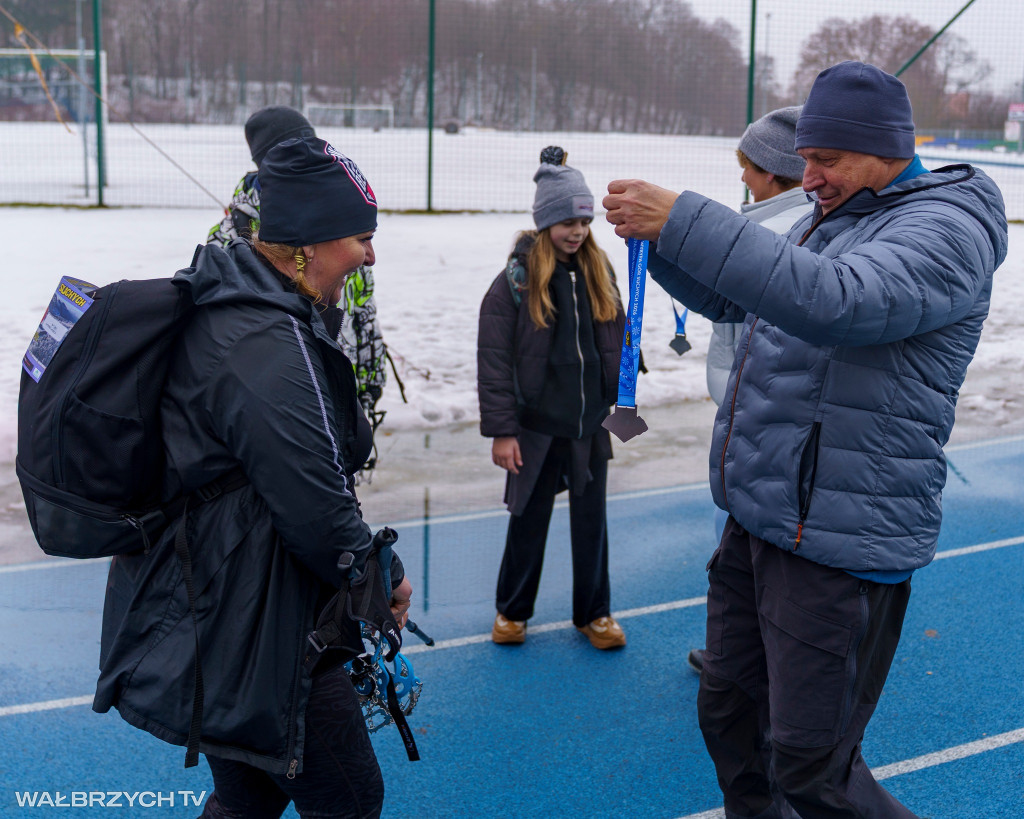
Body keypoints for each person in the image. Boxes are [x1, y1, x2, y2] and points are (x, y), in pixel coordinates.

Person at [604, 61, 1007, 818]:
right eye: (805, 159)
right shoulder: (847, 207)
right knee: (728, 718)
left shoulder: (946, 225)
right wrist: (656, 246)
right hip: (763, 520)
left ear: (887, 147)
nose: (807, 176)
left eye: (825, 160)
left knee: (813, 771)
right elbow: (742, 296)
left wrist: (685, 217)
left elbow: (836, 302)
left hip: (839, 541)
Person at [95, 135, 413, 819]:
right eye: (359, 236)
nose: (370, 254)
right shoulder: (263, 343)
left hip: (226, 607)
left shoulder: (248, 300)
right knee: (351, 799)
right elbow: (317, 508)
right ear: (307, 242)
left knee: (248, 797)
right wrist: (381, 574)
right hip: (262, 619)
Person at [477, 146, 627, 650]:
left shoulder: (599, 273)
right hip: (536, 428)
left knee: (593, 525)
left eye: (583, 220)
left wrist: (623, 400)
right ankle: (512, 611)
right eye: (565, 220)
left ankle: (595, 614)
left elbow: (617, 343)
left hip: (589, 426)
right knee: (528, 522)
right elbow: (494, 360)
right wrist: (502, 430)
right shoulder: (515, 282)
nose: (577, 231)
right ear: (545, 222)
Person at [688, 105, 812, 675]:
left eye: (748, 167)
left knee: (749, 551)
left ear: (772, 172)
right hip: (757, 423)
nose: (741, 177)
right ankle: (745, 657)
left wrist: (739, 402)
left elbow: (736, 347)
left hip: (760, 433)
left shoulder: (773, 240)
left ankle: (746, 661)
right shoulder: (764, 230)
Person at [209, 105, 388, 429]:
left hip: (339, 385)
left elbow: (363, 310)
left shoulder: (342, 225)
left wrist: (368, 384)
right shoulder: (232, 236)